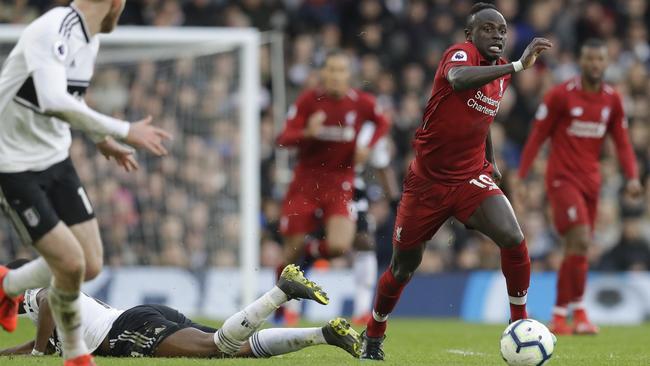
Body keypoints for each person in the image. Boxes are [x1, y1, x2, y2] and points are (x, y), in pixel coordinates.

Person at [360, 2, 552, 360]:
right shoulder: (460, 55)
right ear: (470, 34)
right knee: (402, 268)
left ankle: (519, 323)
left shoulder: (500, 73)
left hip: (468, 178)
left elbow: (483, 117)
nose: (497, 35)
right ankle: (374, 331)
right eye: (488, 29)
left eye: (502, 31)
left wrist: (490, 160)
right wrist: (517, 65)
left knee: (513, 237)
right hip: (426, 184)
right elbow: (459, 81)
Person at [0, 1, 171, 365]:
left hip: (56, 160)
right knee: (70, 262)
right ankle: (77, 355)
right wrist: (124, 130)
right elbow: (51, 99)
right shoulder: (51, 30)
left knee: (90, 264)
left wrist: (101, 141)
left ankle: (7, 286)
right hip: (13, 163)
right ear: (113, 3)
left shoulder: (89, 39)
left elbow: (72, 98)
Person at [518, 38, 641, 335]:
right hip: (561, 179)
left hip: (591, 181)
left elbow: (622, 142)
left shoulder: (611, 99)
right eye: (590, 59)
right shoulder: (560, 96)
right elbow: (537, 136)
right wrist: (521, 177)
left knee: (577, 248)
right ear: (581, 62)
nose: (595, 65)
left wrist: (633, 176)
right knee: (582, 239)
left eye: (600, 60)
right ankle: (580, 311)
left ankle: (561, 316)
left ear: (606, 63)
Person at [0, 262, 361, 360]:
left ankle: (281, 291)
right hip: (140, 316)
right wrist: (14, 353)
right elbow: (45, 344)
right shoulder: (54, 322)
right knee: (236, 350)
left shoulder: (30, 292)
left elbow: (47, 300)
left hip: (126, 329)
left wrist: (34, 351)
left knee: (216, 347)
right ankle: (323, 335)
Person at [276, 50, 390, 324]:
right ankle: (281, 305)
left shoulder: (361, 103)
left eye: (340, 70)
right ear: (323, 74)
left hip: (340, 182)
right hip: (305, 182)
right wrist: (307, 133)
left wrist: (368, 146)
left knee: (340, 245)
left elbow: (383, 122)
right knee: (289, 254)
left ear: (348, 75)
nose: (335, 75)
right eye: (330, 69)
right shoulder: (308, 101)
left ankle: (311, 251)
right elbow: (283, 138)